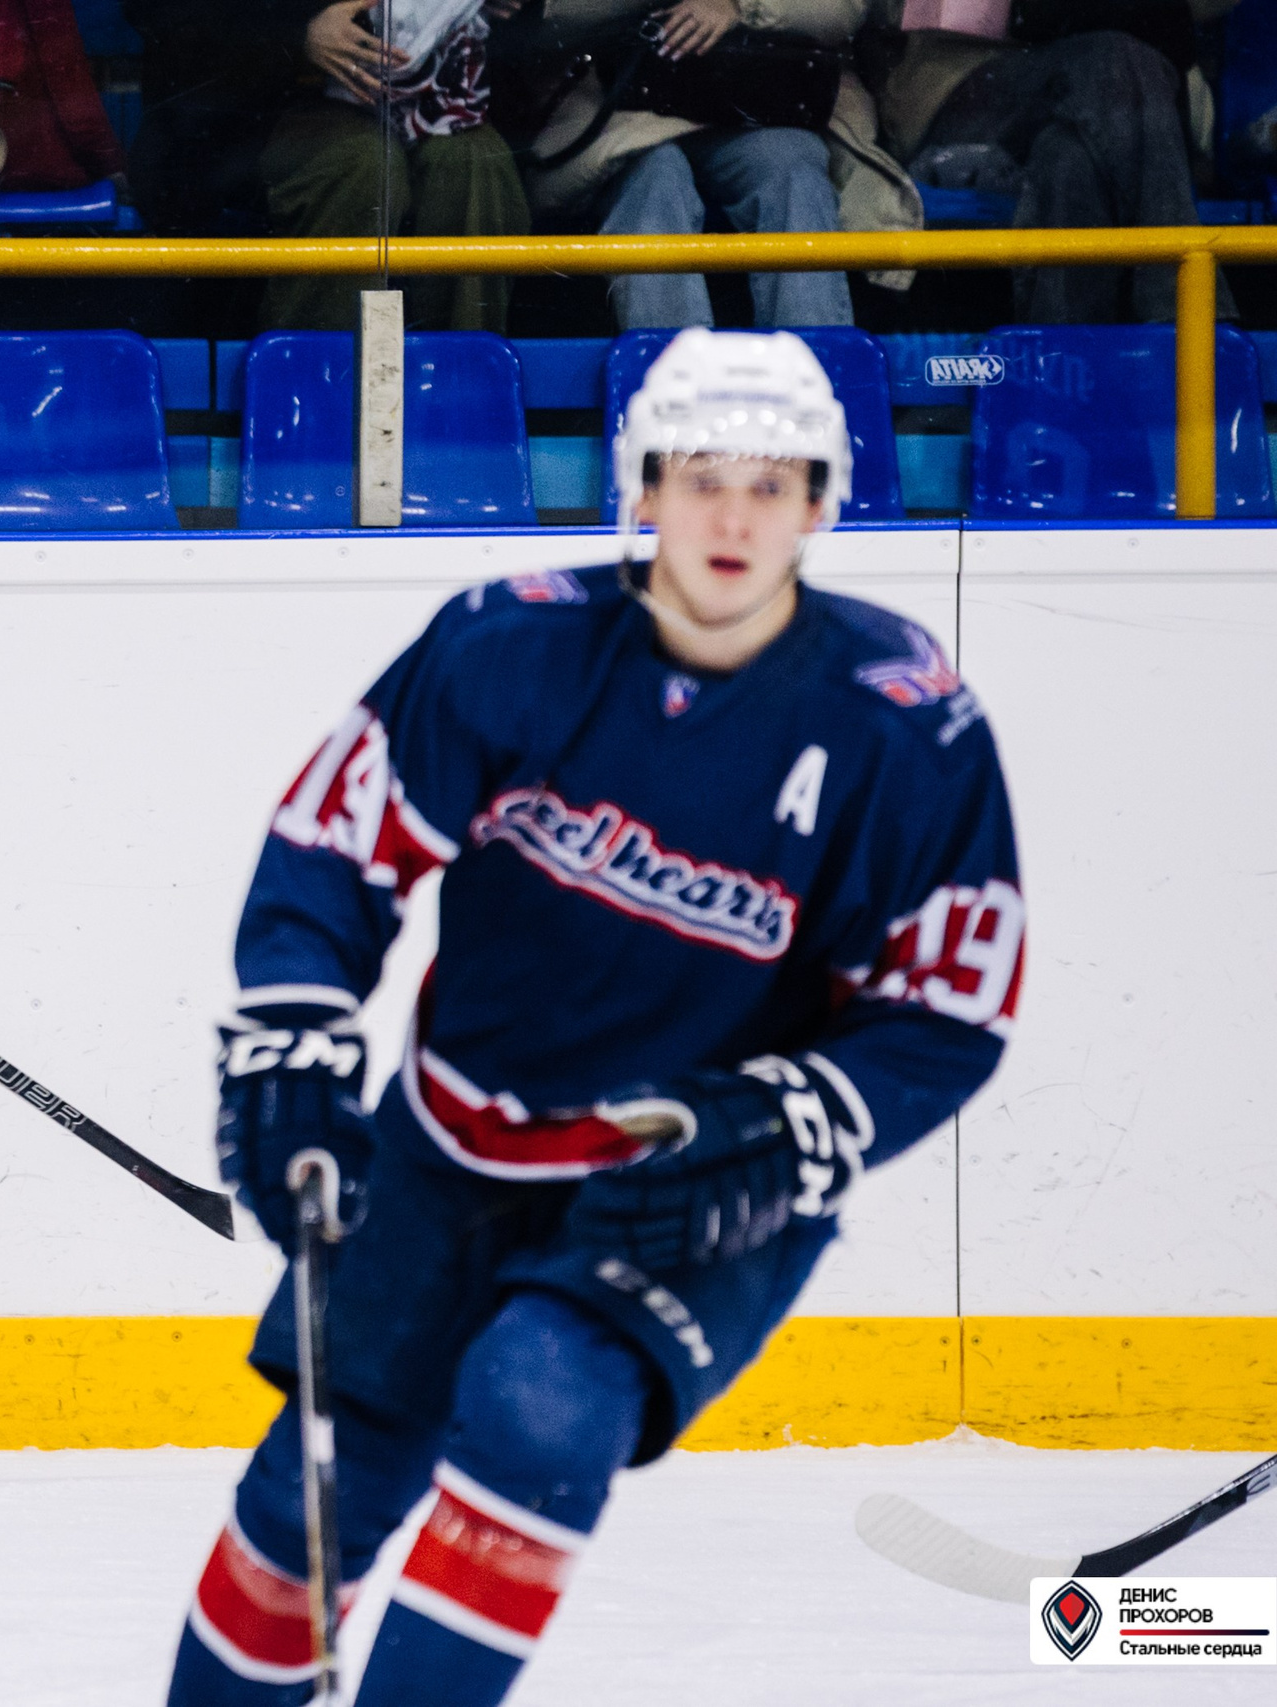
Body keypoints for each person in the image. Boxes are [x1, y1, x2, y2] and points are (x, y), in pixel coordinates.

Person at [167, 329, 1022, 1705]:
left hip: (689, 1179)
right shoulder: (509, 643)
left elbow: (946, 1005)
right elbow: (335, 848)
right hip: (450, 1144)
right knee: (316, 1484)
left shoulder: (902, 725)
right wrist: (296, 1017)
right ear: (642, 485)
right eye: (701, 476)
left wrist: (807, 1112)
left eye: (774, 480)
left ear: (825, 499)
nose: (734, 515)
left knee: (537, 1402)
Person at [122, 0, 529, 332]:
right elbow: (167, 17)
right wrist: (300, 34)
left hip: (432, 99)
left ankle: (461, 393)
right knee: (357, 165)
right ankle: (322, 390)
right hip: (259, 112)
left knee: (475, 162)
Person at [517, 0, 920, 328]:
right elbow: (536, 20)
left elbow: (840, 10)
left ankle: (815, 383)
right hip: (624, 113)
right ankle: (676, 393)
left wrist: (737, 6)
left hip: (763, 106)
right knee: (655, 176)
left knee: (793, 166)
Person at [871, 0, 1240, 322]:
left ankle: (1064, 374)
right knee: (1113, 62)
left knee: (1069, 158)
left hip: (1113, 100)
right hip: (960, 88)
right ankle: (1192, 325)